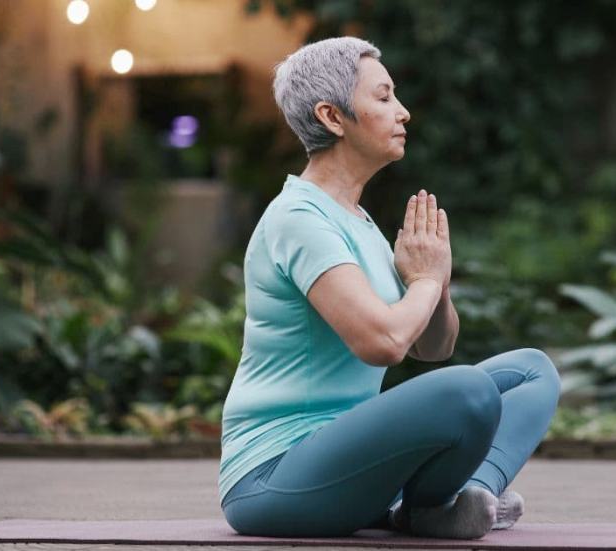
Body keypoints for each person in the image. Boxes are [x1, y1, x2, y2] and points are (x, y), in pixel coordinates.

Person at [218, 36, 561, 540]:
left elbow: (432, 347)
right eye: (383, 97)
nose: (402, 113)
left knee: (531, 371)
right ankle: (427, 508)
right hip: (274, 476)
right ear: (333, 118)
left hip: (348, 466)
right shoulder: (298, 218)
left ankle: (460, 500)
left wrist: (436, 281)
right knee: (468, 390)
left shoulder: (356, 220)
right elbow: (382, 343)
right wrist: (422, 280)